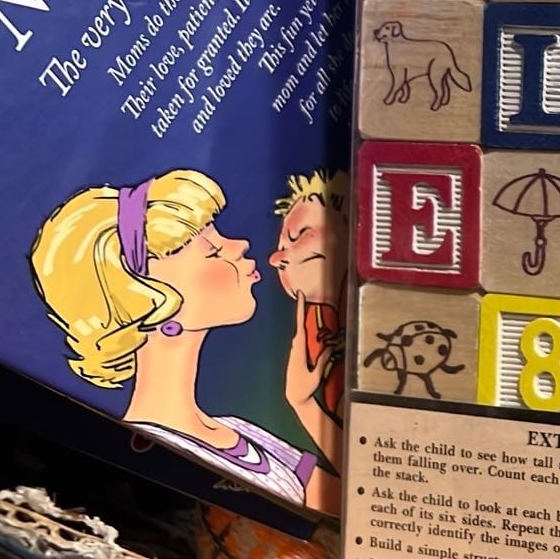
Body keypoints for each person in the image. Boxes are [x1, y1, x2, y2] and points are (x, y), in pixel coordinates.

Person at [29, 170, 327, 511]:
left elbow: (350, 505)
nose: (239, 246)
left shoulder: (235, 429)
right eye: (212, 250)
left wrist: (303, 403)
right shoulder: (159, 456)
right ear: (147, 299)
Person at [269, 170, 347, 488]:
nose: (276, 258)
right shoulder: (320, 336)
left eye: (299, 234)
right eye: (281, 244)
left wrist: (302, 403)